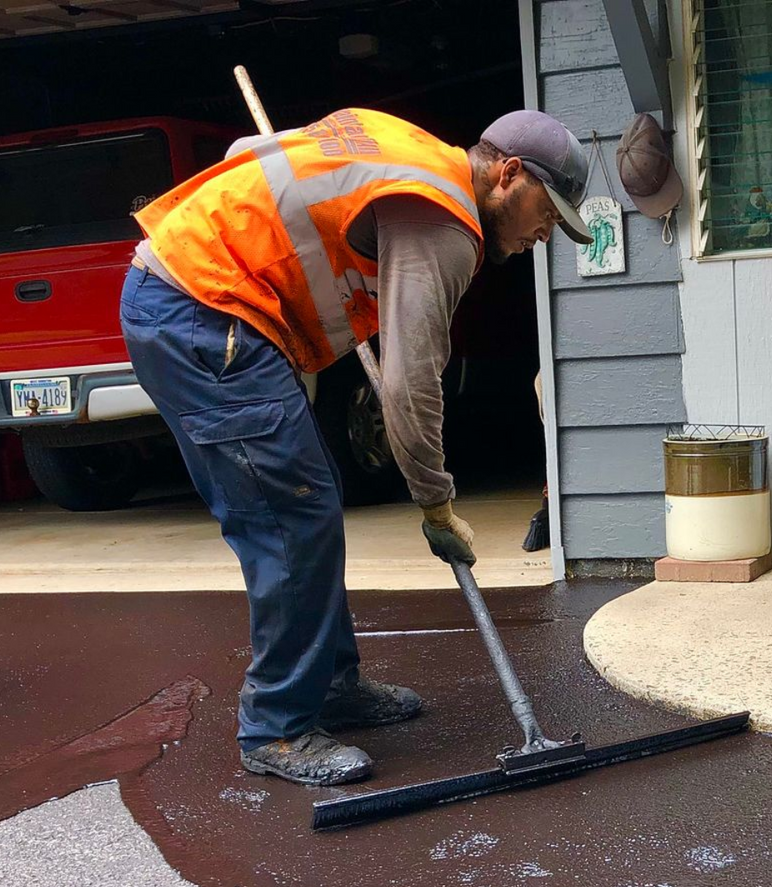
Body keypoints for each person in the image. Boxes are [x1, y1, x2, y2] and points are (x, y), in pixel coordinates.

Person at [122, 108, 590, 785]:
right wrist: (436, 503)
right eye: (548, 213)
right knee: (290, 517)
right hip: (200, 310)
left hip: (191, 298)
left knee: (307, 501)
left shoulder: (410, 145)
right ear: (509, 175)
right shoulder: (444, 222)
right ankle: (277, 729)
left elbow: (248, 151)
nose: (546, 235)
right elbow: (409, 385)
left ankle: (330, 688)